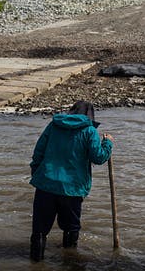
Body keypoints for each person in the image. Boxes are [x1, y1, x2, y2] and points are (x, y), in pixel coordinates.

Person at [29, 100, 114, 262]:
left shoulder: (53, 126)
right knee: (71, 227)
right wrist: (108, 143)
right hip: (72, 189)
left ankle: (35, 263)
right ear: (90, 116)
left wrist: (37, 174)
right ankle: (69, 262)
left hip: (46, 185)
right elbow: (99, 157)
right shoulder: (89, 131)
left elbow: (38, 152)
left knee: (39, 230)